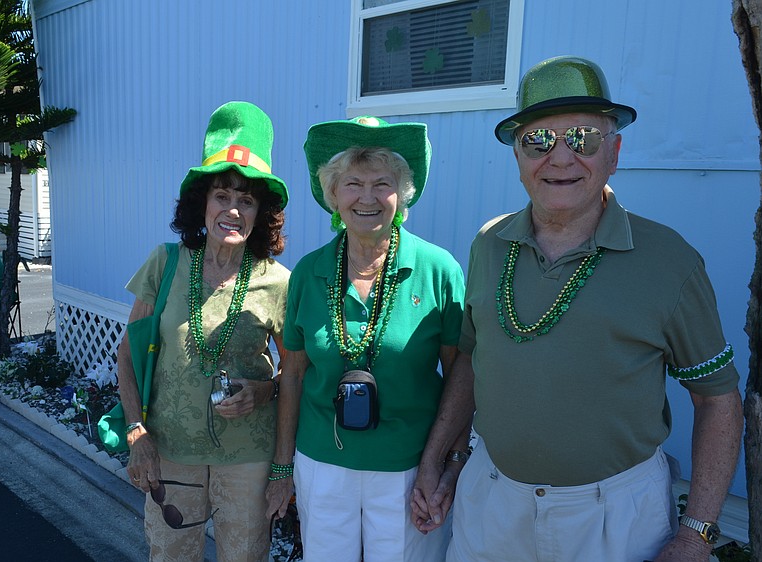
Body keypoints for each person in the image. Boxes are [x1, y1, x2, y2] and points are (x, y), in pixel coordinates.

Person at [412, 56, 744, 562]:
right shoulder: (489, 244)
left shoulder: (668, 260)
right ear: (518, 158)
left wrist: (695, 533)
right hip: (491, 499)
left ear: (614, 152)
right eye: (538, 141)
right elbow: (474, 364)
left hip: (614, 518)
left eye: (584, 138)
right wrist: (441, 458)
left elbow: (717, 400)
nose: (561, 159)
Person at [266, 115, 465, 562]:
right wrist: (283, 468)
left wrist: (450, 464)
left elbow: (461, 375)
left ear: (403, 193)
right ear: (333, 194)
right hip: (323, 464)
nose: (368, 197)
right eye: (353, 183)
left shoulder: (439, 270)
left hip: (410, 469)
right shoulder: (308, 272)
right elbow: (293, 375)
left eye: (383, 183)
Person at [118, 101, 290, 562]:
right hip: (170, 452)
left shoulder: (278, 280)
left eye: (247, 200)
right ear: (202, 203)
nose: (233, 210)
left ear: (261, 213)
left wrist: (265, 391)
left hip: (249, 457)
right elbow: (126, 357)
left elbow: (296, 374)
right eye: (222, 196)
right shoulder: (165, 263)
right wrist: (137, 434)